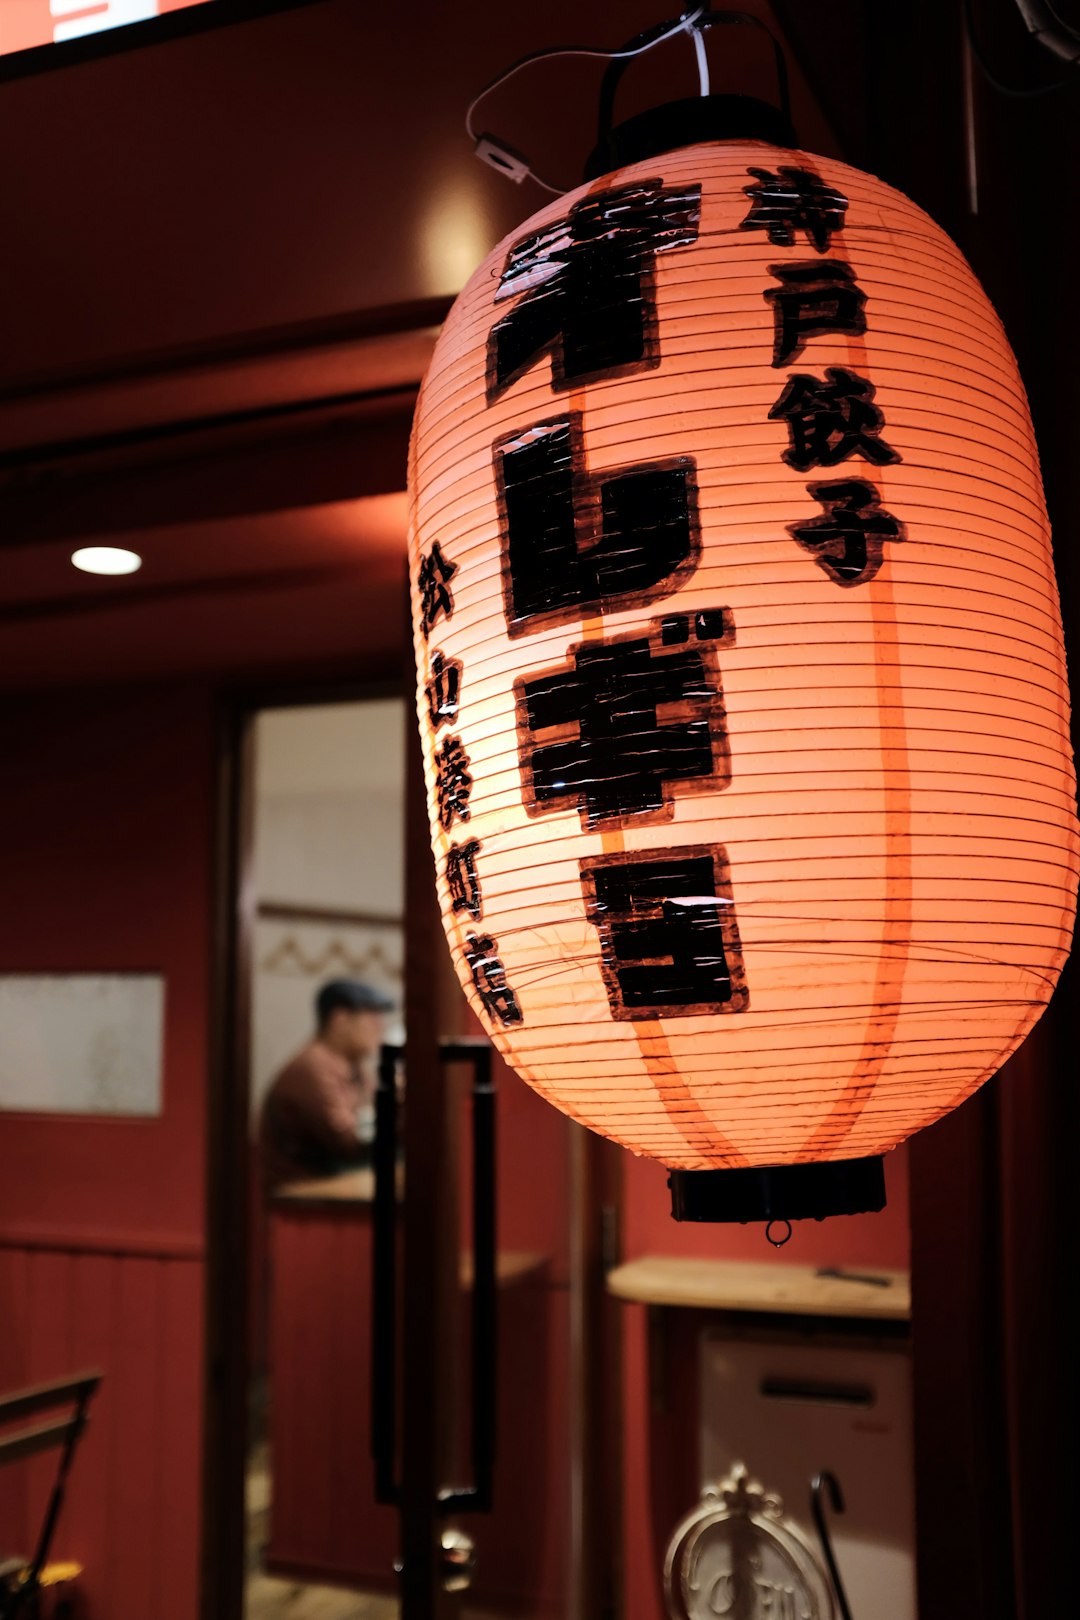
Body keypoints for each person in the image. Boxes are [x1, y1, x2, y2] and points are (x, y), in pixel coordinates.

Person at [259, 978, 393, 1190]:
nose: (380, 1027)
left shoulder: (353, 1064)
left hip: (336, 1181)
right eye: (371, 1016)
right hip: (304, 1192)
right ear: (339, 1019)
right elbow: (348, 1142)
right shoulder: (314, 1067)